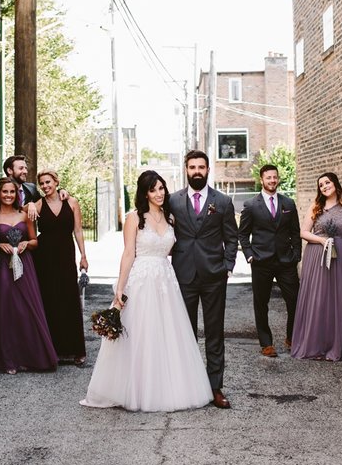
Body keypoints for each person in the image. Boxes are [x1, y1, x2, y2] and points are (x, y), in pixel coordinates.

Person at [81, 171, 212, 412]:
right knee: (141, 334)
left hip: (166, 280)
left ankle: (166, 389)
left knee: (167, 335)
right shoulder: (134, 218)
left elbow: (173, 249)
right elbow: (129, 253)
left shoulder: (170, 217)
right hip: (141, 280)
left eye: (161, 188)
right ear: (145, 193)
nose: (159, 193)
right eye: (153, 190)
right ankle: (134, 389)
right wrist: (119, 288)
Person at [169, 150, 238, 409]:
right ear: (186, 169)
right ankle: (184, 387)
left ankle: (215, 387)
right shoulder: (173, 201)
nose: (196, 171)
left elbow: (231, 237)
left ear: (208, 170)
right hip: (183, 274)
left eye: (201, 167)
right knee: (184, 333)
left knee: (214, 333)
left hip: (213, 276)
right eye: (192, 167)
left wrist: (227, 266)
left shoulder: (222, 201)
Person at [0, 177, 57, 374]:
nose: (8, 195)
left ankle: (29, 356)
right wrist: (0, 245)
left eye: (12, 192)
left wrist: (26, 244)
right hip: (2, 267)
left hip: (24, 266)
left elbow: (35, 240)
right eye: (5, 192)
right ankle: (7, 358)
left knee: (26, 309)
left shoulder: (24, 214)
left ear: (17, 194)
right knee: (5, 310)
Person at [238, 164, 301, 358]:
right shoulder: (251, 205)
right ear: (262, 179)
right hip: (261, 261)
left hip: (285, 262)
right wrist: (249, 254)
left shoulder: (288, 203)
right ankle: (266, 343)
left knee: (295, 301)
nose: (272, 180)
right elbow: (242, 234)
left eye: (275, 177)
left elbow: (295, 232)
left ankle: (292, 337)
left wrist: (296, 255)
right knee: (261, 303)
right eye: (268, 178)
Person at [292, 172, 342, 361]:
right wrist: (322, 240)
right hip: (317, 255)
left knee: (339, 299)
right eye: (321, 185)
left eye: (327, 182)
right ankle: (315, 343)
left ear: (335, 183)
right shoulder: (316, 206)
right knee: (318, 299)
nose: (325, 186)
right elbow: (303, 232)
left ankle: (337, 343)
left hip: (341, 257)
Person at [33, 169, 88, 365]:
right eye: (42, 184)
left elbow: (78, 230)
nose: (45, 186)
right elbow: (17, 211)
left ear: (56, 182)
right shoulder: (38, 205)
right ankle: (53, 350)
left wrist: (83, 255)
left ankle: (76, 351)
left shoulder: (71, 202)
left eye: (48, 182)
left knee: (69, 298)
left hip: (66, 255)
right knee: (50, 300)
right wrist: (30, 205)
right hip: (44, 258)